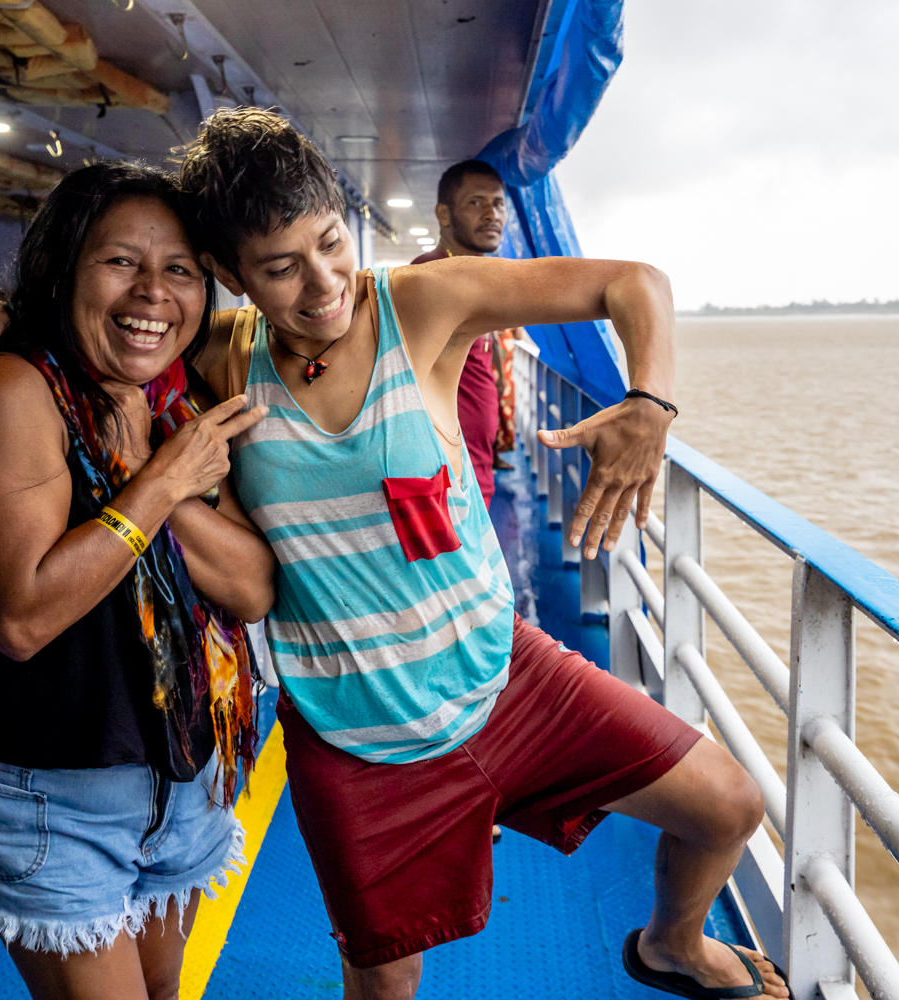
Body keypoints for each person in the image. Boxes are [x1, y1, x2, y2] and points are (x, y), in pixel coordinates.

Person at [179, 108, 789, 1000]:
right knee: (383, 987)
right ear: (230, 275)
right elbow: (102, 322)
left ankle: (673, 945)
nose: (323, 285)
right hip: (356, 740)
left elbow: (635, 283)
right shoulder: (229, 360)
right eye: (280, 268)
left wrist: (649, 406)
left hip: (505, 677)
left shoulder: (418, 303)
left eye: (330, 244)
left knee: (730, 805)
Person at [0, 162, 275, 1000]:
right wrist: (156, 485)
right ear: (60, 269)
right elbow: (22, 617)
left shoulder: (170, 405)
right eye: (120, 262)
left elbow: (252, 588)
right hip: (50, 795)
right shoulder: (8, 389)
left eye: (179, 269)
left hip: (180, 780)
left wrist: (156, 471)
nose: (152, 293)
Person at [408, 160, 514, 505]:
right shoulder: (430, 275)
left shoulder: (478, 277)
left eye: (498, 203)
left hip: (474, 466)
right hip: (446, 475)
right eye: (475, 202)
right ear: (443, 213)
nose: (491, 214)